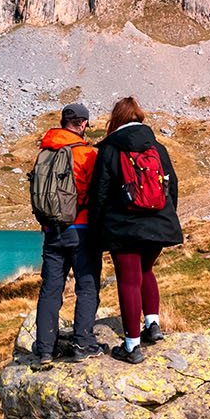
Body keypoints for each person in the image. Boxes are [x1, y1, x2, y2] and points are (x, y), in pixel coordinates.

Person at [87, 96, 183, 364]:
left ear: (116, 119)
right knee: (146, 271)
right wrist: (167, 216)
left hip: (125, 226)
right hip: (159, 223)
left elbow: (100, 193)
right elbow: (172, 185)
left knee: (128, 280)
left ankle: (131, 346)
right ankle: (153, 325)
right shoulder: (157, 147)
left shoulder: (110, 149)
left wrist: (97, 229)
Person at [25, 103, 101, 365]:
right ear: (82, 124)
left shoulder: (44, 151)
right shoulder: (87, 154)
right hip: (81, 229)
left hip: (51, 230)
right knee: (87, 287)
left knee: (50, 290)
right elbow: (97, 193)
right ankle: (83, 343)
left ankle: (45, 349)